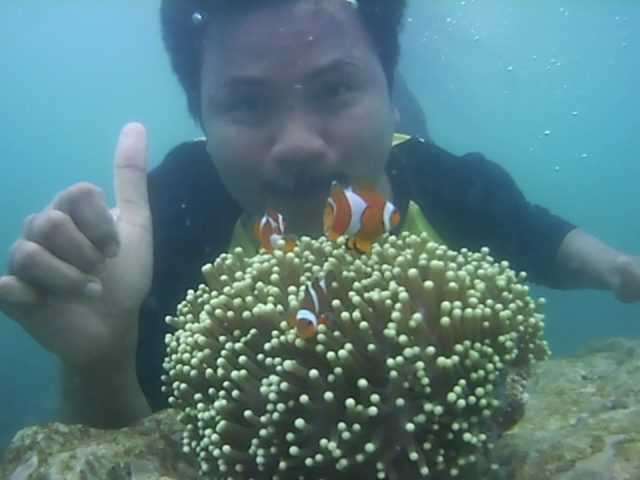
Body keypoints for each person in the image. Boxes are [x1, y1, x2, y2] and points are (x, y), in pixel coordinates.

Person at [1, 0, 638, 429]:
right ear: (201, 117)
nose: (299, 142)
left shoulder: (443, 180)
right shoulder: (168, 219)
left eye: (335, 88)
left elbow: (534, 234)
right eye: (248, 103)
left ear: (388, 93)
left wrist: (617, 269)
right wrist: (99, 356)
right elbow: (127, 440)